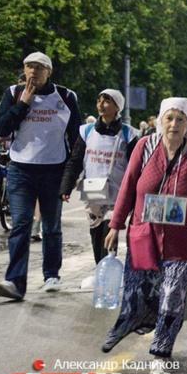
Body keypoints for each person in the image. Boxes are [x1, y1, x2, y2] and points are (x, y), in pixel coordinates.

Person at [100, 97, 187, 360]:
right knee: (138, 293)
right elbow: (127, 187)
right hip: (143, 235)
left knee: (173, 296)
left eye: (180, 119)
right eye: (169, 118)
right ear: (160, 121)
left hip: (183, 241)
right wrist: (115, 225)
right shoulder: (144, 147)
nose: (174, 124)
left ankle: (162, 345)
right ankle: (125, 324)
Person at [0, 52, 82, 300]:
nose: (33, 71)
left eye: (39, 67)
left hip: (54, 169)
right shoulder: (13, 93)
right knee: (21, 224)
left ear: (49, 71)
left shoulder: (65, 97)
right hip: (21, 169)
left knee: (51, 225)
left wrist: (72, 175)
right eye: (28, 66)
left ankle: (51, 275)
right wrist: (23, 104)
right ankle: (15, 283)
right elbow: (1, 127)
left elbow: (76, 140)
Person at [59, 89, 138, 287]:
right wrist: (66, 187)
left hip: (117, 194)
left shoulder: (129, 135)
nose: (102, 105)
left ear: (117, 107)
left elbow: (137, 166)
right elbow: (75, 160)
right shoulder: (86, 131)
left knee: (110, 231)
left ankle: (108, 271)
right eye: (100, 100)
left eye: (108, 101)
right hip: (93, 191)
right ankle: (101, 269)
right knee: (96, 233)